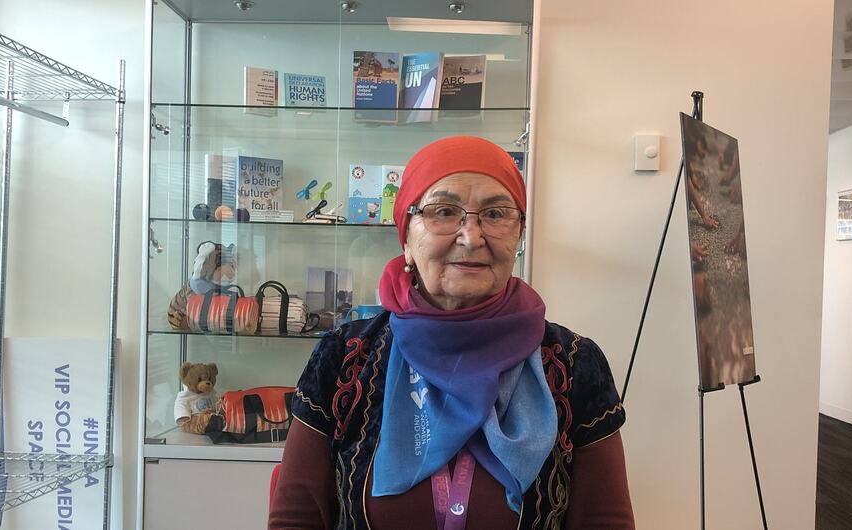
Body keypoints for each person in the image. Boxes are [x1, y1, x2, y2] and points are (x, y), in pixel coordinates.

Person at [269, 136, 635, 529]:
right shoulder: (345, 358)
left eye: (496, 214)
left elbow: (605, 520)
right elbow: (298, 517)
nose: (472, 236)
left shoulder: (574, 364)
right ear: (406, 237)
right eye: (444, 211)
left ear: (519, 234)